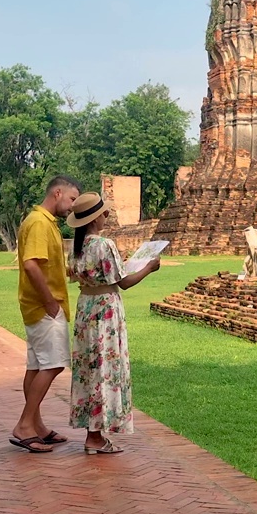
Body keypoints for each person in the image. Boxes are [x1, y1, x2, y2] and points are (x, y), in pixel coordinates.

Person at [65, 192, 161, 454]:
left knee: (89, 369)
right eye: (104, 212)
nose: (107, 215)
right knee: (105, 368)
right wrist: (148, 268)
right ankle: (95, 436)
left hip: (86, 308)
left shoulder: (78, 245)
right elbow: (124, 282)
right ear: (97, 217)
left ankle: (92, 431)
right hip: (106, 311)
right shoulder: (103, 244)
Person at [9, 175, 81, 453]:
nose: (72, 206)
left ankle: (36, 425)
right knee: (53, 364)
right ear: (57, 193)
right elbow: (31, 265)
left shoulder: (43, 222)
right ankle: (25, 424)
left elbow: (45, 264)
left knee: (37, 365)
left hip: (37, 306)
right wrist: (51, 302)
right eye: (72, 199)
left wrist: (67, 272)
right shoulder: (39, 222)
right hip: (44, 307)